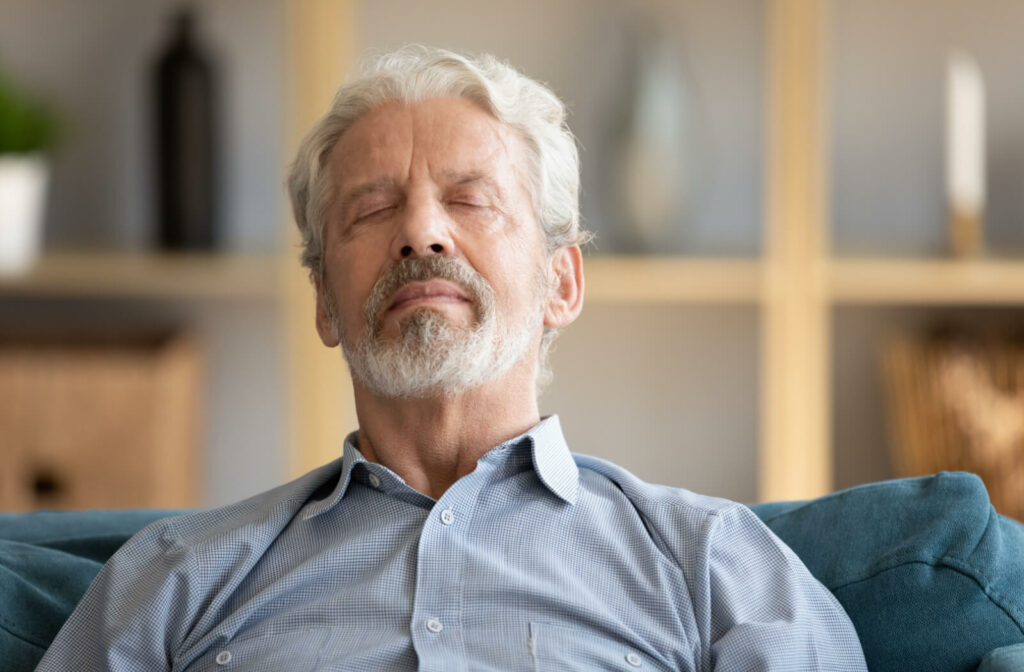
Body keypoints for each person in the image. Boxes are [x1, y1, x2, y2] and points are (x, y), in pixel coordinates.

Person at [37, 46, 866, 671]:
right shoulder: (179, 578)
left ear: (560, 284)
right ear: (325, 300)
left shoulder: (714, 566)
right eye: (372, 209)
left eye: (470, 199)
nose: (420, 232)